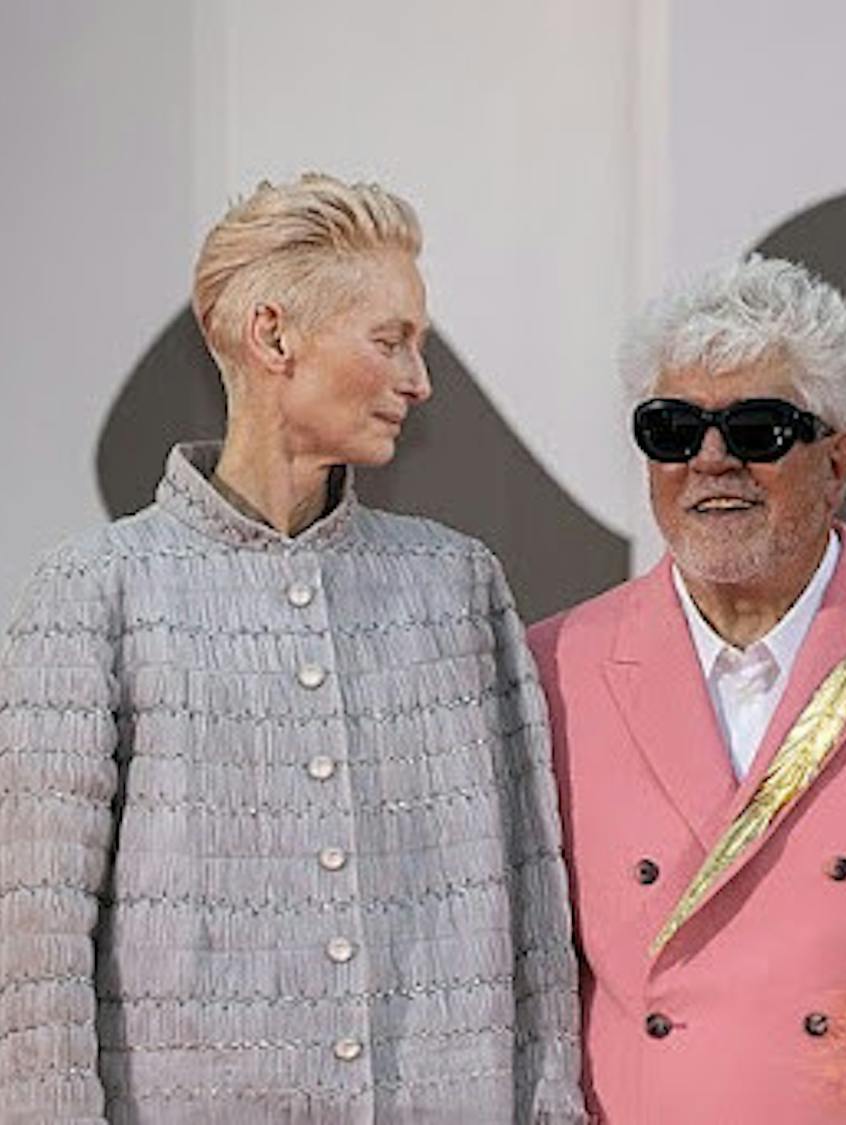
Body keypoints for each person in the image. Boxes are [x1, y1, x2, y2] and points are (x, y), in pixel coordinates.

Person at [0, 173, 582, 1122]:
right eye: (390, 340)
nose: (419, 380)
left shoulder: (457, 586)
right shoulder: (94, 591)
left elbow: (534, 920)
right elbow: (34, 948)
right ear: (276, 337)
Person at [527, 255, 846, 1123]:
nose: (711, 459)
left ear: (838, 460)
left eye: (758, 429)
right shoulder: (556, 666)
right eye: (672, 429)